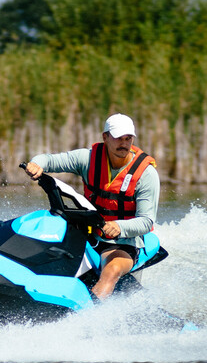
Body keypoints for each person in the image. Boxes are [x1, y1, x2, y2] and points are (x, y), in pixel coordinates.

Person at [23, 113, 160, 300]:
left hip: (123, 243)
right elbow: (48, 159)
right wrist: (36, 165)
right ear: (105, 137)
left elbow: (146, 221)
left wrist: (119, 227)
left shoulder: (146, 174)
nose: (124, 143)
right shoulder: (87, 159)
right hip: (87, 233)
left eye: (128, 138)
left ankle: (89, 317)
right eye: (118, 138)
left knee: (111, 270)